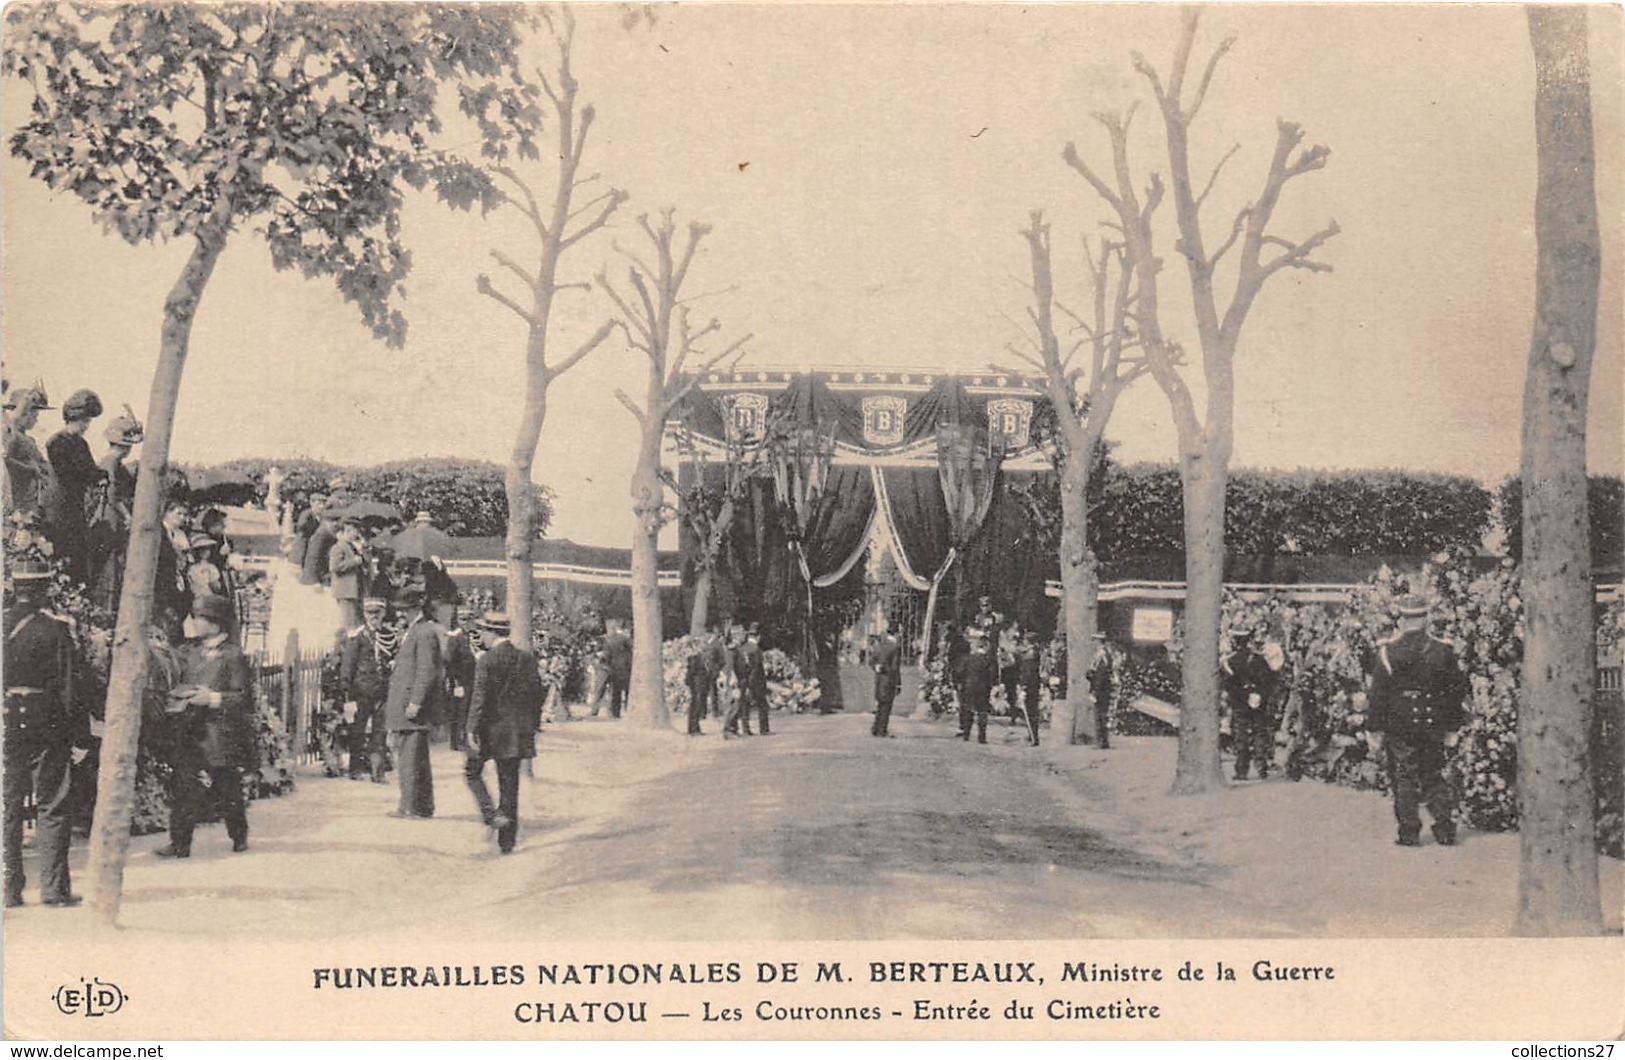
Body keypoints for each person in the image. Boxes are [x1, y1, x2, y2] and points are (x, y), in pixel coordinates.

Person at [4, 558, 90, 906]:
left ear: (14, 587)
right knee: (52, 803)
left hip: (7, 722)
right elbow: (71, 688)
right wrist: (82, 737)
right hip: (47, 724)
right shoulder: (55, 630)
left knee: (8, 805)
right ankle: (54, 890)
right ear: (43, 588)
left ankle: (9, 890)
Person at [1365, 595, 1470, 847]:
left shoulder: (1387, 651)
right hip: (1434, 722)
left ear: (1401, 619)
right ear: (1426, 618)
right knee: (1434, 774)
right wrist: (1453, 725)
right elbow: (1456, 690)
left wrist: (1374, 728)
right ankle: (1444, 828)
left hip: (1400, 724)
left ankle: (1409, 832)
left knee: (1404, 775)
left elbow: (1378, 694)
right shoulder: (1443, 650)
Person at [155, 594, 254, 858]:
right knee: (183, 784)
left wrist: (211, 698)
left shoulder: (233, 656)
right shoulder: (190, 651)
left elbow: (243, 697)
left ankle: (238, 835)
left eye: (200, 618)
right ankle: (180, 843)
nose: (195, 622)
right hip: (191, 730)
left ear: (215, 623)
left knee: (227, 786)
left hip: (219, 734)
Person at [464, 612, 543, 854]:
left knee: (471, 772)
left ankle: (491, 815)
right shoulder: (526, 659)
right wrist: (533, 724)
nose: (481, 636)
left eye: (483, 632)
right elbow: (538, 694)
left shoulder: (487, 661)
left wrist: (471, 728)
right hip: (517, 732)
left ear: (491, 633)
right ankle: (506, 842)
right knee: (510, 785)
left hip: (491, 730)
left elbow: (480, 698)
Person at [383, 585, 443, 818]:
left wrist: (416, 702)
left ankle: (410, 807)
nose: (400, 614)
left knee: (410, 760)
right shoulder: (415, 631)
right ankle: (422, 806)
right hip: (408, 707)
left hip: (413, 709)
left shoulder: (424, 632)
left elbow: (427, 671)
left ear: (416, 608)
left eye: (404, 609)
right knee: (416, 759)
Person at [43, 388, 103, 584]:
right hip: (59, 508)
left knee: (78, 555)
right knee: (63, 552)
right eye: (83, 421)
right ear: (72, 418)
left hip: (76, 507)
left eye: (88, 421)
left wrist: (98, 476)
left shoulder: (82, 444)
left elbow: (92, 471)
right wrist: (91, 476)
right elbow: (68, 474)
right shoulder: (56, 442)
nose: (86, 426)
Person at [89, 408, 142, 610]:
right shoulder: (110, 463)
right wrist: (128, 516)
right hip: (111, 520)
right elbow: (112, 496)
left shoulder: (116, 464)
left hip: (116, 520)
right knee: (109, 568)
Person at [339, 597, 392, 782]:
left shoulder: (388, 635)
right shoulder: (357, 637)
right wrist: (348, 695)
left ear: (383, 614)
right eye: (370, 613)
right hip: (361, 691)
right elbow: (348, 667)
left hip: (382, 692)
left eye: (377, 613)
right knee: (358, 731)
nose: (374, 617)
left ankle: (378, 773)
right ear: (364, 614)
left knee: (380, 733)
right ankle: (355, 769)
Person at [1222, 627, 1282, 780]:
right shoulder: (1259, 659)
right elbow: (1270, 682)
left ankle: (1242, 770)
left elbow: (1229, 685)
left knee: (1241, 736)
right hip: (1258, 703)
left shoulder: (1231, 661)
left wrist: (1241, 695)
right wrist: (1259, 695)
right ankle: (1261, 768)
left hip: (1240, 704)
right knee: (1259, 734)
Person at [3, 386, 53, 518]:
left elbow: (41, 463)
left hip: (33, 495)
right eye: (34, 415)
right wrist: (31, 468)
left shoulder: (28, 439)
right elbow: (6, 460)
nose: (36, 420)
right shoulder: (13, 437)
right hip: (19, 494)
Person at [441, 603, 478, 752]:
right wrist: (456, 683)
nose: (466, 623)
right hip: (460, 680)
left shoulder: (472, 637)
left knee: (468, 709)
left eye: (468, 619)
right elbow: (449, 661)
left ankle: (464, 739)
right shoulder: (455, 638)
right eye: (463, 620)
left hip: (471, 679)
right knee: (459, 711)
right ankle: (457, 741)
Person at [959, 609, 997, 744]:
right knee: (982, 712)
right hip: (983, 688)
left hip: (969, 686)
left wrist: (961, 683)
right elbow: (993, 674)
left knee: (968, 709)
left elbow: (961, 672)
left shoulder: (968, 658)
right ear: (986, 646)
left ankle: (966, 734)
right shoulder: (988, 660)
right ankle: (982, 737)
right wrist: (992, 685)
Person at [328, 518, 367, 631]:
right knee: (348, 623)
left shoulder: (352, 546)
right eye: (355, 531)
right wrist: (353, 562)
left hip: (353, 590)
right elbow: (334, 567)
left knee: (354, 622)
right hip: (345, 591)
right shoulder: (338, 547)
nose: (357, 534)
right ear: (348, 531)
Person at [871, 621, 902, 738]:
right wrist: (898, 683)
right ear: (896, 633)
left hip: (880, 679)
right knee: (886, 706)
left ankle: (876, 728)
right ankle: (882, 730)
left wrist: (876, 667)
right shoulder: (895, 647)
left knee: (880, 704)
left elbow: (872, 661)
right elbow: (895, 667)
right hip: (889, 679)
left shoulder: (880, 644)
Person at [722, 625, 754, 738]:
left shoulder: (741, 648)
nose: (744, 635)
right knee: (733, 706)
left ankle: (735, 729)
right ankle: (727, 730)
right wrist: (733, 681)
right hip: (735, 681)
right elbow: (729, 667)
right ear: (735, 635)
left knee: (741, 705)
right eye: (741, 634)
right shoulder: (732, 649)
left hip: (743, 680)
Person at [1086, 632, 1116, 750]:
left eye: (1095, 641)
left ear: (1099, 642)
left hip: (1101, 690)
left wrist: (1095, 692)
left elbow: (1100, 676)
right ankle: (1103, 741)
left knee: (1099, 716)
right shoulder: (1104, 654)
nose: (1093, 644)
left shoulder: (1101, 655)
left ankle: (1101, 742)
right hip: (1103, 689)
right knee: (1102, 715)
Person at [600, 619, 633, 720]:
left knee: (616, 692)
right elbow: (632, 650)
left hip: (615, 668)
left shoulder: (610, 640)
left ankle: (615, 712)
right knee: (628, 691)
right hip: (626, 668)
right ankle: (628, 710)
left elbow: (606, 655)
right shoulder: (625, 639)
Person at [742, 623, 770, 736]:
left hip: (745, 679)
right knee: (763, 705)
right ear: (758, 637)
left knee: (745, 706)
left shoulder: (743, 648)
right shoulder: (757, 650)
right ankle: (764, 729)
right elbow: (756, 667)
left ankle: (745, 729)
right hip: (757, 681)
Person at [1017, 630, 1044, 747]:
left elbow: (1028, 672)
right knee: (1031, 710)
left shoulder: (1031, 653)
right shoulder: (1033, 651)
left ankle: (1034, 737)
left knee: (1030, 711)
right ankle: (1031, 734)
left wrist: (1024, 686)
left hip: (1030, 685)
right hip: (1033, 684)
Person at [684, 642, 709, 736]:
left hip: (700, 683)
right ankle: (693, 729)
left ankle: (696, 728)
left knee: (698, 706)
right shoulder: (695, 657)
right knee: (696, 705)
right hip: (696, 684)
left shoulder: (700, 656)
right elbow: (692, 672)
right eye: (701, 645)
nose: (703, 647)